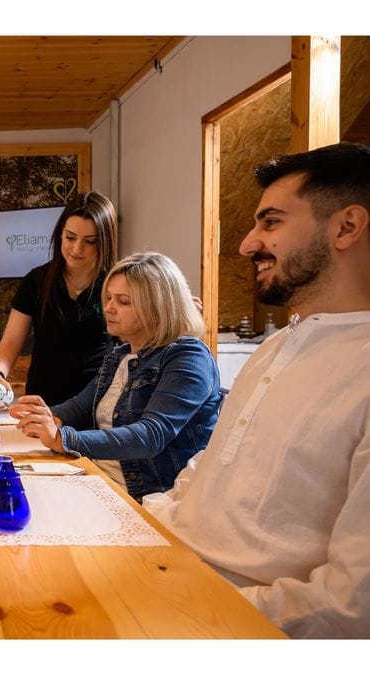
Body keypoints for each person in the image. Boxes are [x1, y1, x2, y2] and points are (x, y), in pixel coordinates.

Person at [143, 142, 370, 637]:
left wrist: (196, 606)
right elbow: (209, 463)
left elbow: (352, 605)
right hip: (161, 567)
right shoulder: (274, 348)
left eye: (271, 222)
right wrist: (147, 523)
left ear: (347, 227)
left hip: (227, 622)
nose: (247, 244)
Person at [9, 252, 221, 501]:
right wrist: (44, 417)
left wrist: (61, 438)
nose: (108, 308)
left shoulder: (188, 357)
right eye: (108, 298)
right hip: (99, 479)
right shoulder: (120, 355)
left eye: (123, 301)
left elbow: (149, 436)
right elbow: (79, 407)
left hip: (152, 499)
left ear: (158, 307)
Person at [0, 191, 118, 405]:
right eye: (70, 237)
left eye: (90, 241)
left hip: (99, 406)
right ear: (60, 234)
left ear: (104, 241)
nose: (77, 249)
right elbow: (11, 342)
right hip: (44, 403)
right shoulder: (36, 281)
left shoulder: (117, 284)